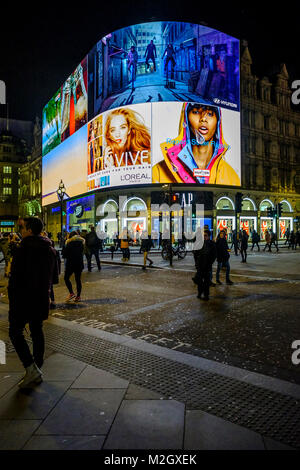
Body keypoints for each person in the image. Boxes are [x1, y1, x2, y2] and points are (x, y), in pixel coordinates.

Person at [8, 217, 57, 388]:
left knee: (15, 332)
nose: (21, 231)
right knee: (37, 331)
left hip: (22, 298)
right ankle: (36, 366)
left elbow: (14, 277)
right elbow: (54, 277)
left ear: (29, 230)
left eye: (23, 228)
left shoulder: (23, 248)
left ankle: (31, 367)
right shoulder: (50, 248)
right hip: (41, 297)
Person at [152, 103, 240, 186]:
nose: (203, 118)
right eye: (196, 112)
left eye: (210, 114)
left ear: (218, 122)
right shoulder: (158, 172)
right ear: (186, 118)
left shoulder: (232, 177)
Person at [193, 229, 217, 300]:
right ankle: (200, 293)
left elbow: (214, 255)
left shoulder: (212, 244)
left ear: (209, 236)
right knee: (200, 281)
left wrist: (210, 263)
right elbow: (195, 254)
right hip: (200, 265)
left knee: (206, 282)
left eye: (205, 236)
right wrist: (196, 264)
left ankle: (206, 295)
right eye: (203, 236)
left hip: (207, 266)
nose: (204, 237)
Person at [62, 231, 85, 302]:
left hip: (70, 264)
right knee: (78, 280)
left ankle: (71, 293)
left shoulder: (68, 243)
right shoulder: (82, 243)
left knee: (66, 278)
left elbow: (64, 254)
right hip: (79, 263)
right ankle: (78, 296)